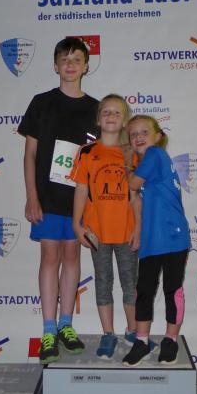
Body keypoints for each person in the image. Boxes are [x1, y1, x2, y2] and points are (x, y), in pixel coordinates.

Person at [17, 37, 99, 364]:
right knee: (50, 256)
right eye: (64, 59)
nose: (70, 65)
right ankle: (48, 330)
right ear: (55, 66)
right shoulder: (42, 103)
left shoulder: (96, 109)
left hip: (79, 199)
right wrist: (31, 197)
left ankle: (67, 325)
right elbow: (30, 154)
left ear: (86, 66)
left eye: (76, 59)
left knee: (72, 255)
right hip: (47, 198)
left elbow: (97, 160)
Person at [71, 94, 140, 359]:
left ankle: (134, 332)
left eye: (117, 112)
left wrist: (138, 228)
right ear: (98, 119)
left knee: (130, 283)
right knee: (103, 281)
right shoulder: (87, 152)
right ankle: (108, 333)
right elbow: (81, 189)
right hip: (96, 231)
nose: (111, 116)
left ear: (125, 121)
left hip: (126, 231)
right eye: (106, 112)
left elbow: (136, 195)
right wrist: (77, 223)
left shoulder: (131, 153)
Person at [122, 115, 191, 366]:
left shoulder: (154, 154)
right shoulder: (150, 162)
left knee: (172, 290)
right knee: (144, 291)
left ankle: (170, 340)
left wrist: (127, 161)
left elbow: (132, 183)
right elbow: (138, 202)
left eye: (144, 132)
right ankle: (141, 341)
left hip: (173, 238)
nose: (138, 137)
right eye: (133, 134)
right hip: (152, 240)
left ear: (158, 136)